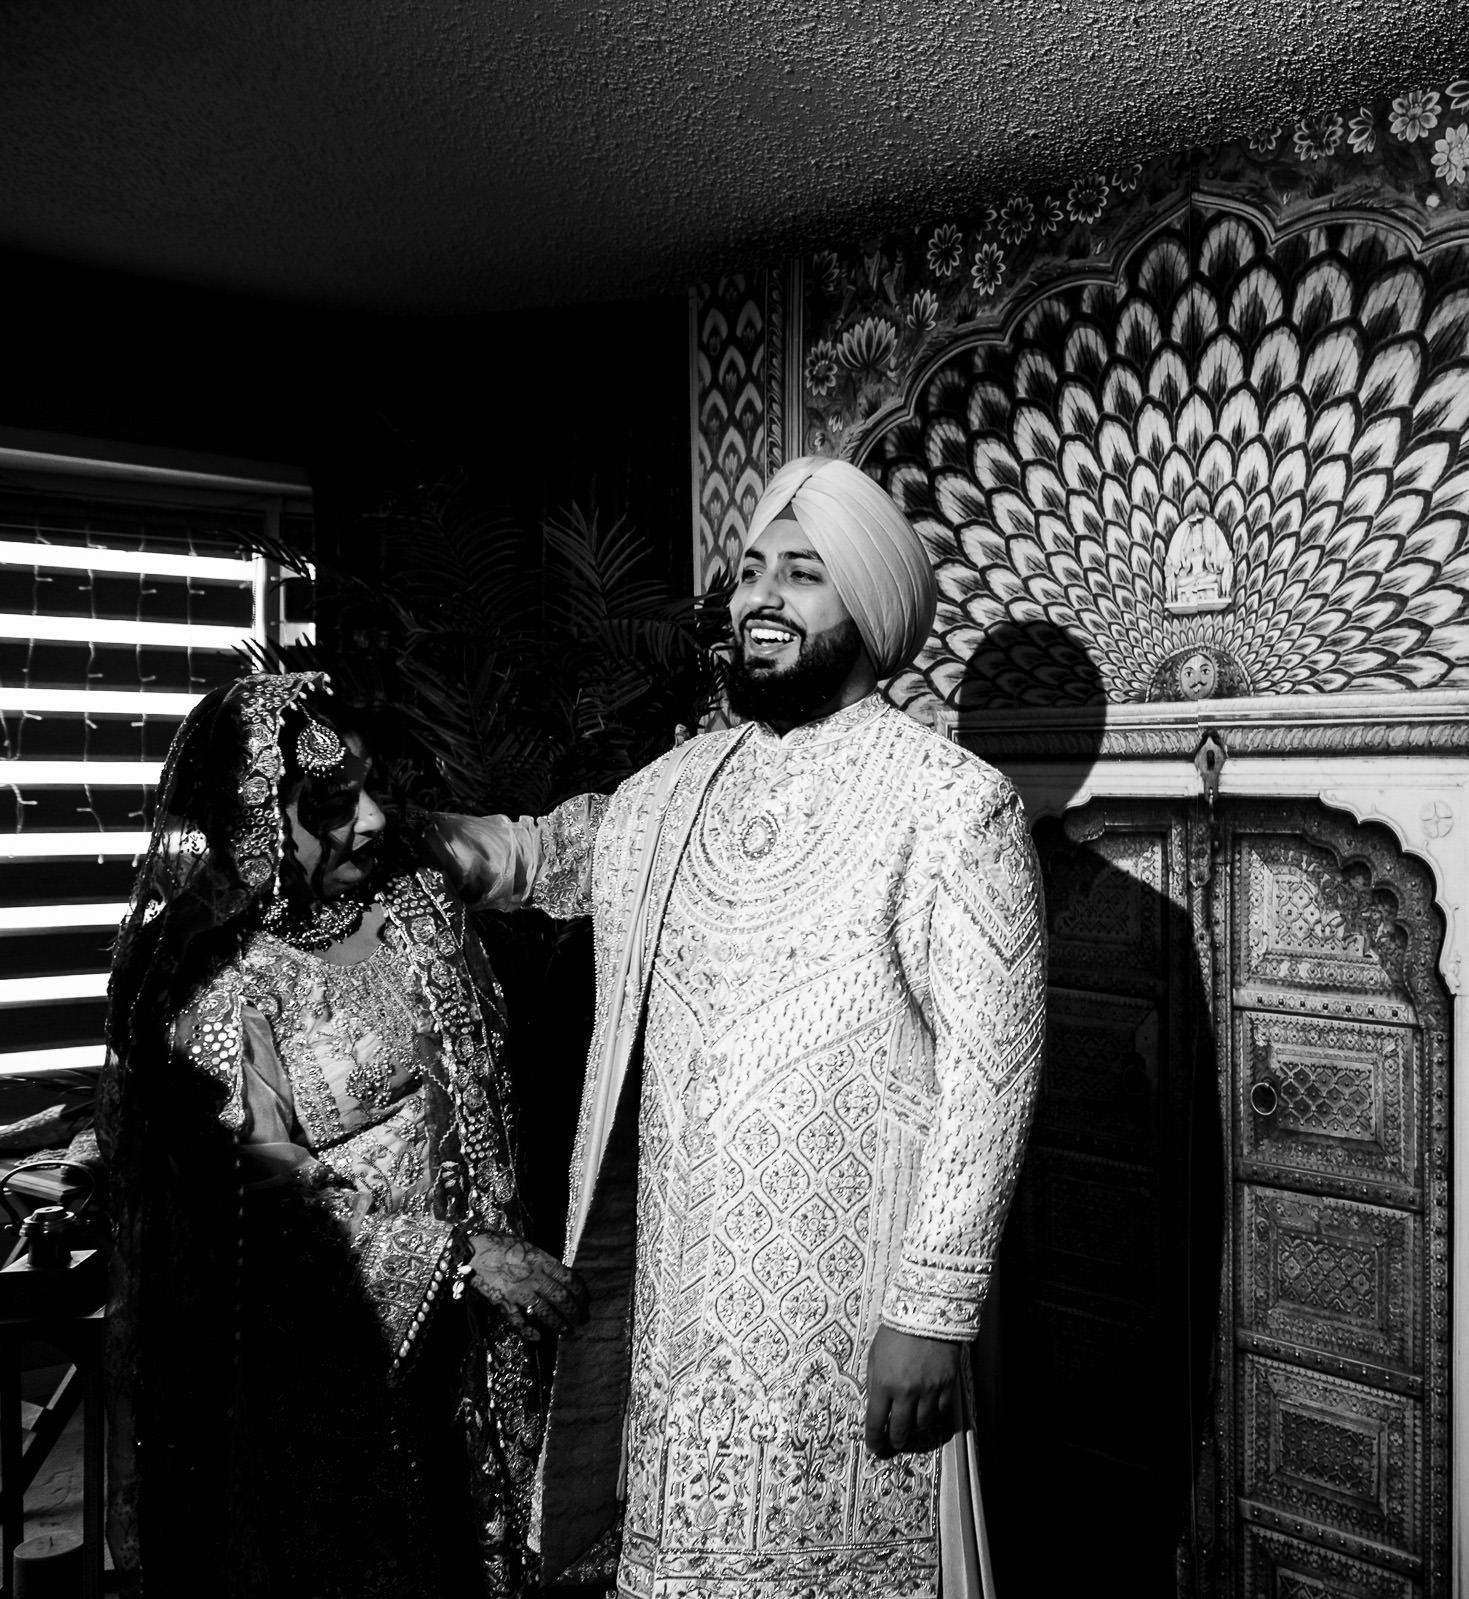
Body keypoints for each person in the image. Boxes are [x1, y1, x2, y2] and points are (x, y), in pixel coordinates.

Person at [426, 456, 1048, 1596]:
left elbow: (991, 1075)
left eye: (804, 575)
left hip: (852, 1303)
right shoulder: (676, 788)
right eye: (754, 569)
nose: (764, 597)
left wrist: (933, 1310)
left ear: (869, 604)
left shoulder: (953, 803)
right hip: (682, 1307)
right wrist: (431, 844)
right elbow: (560, 852)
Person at [98, 672, 587, 1599]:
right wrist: (453, 1257)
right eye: (329, 801)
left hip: (500, 1334)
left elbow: (550, 849)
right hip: (355, 1367)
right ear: (252, 818)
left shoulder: (407, 882)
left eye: (367, 785)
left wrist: (708, 784)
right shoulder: (214, 984)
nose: (367, 818)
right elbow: (259, 1198)